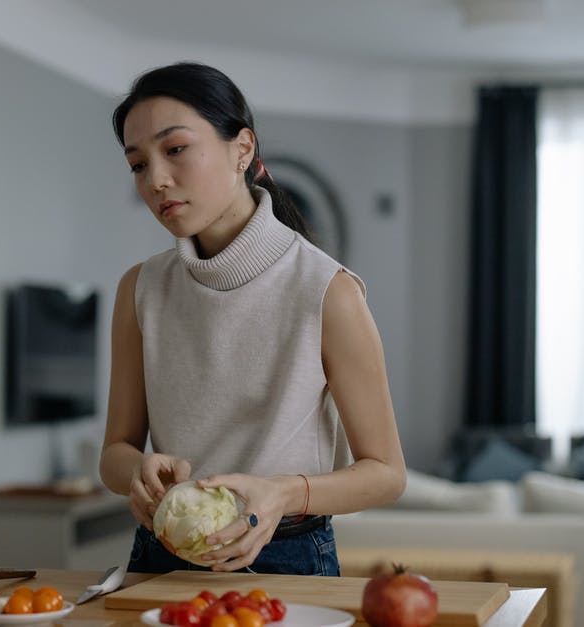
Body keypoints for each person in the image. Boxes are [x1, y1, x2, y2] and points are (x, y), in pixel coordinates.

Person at [99, 62, 406, 576]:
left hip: (285, 557)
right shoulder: (140, 288)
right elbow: (114, 453)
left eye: (175, 150)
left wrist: (284, 493)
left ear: (243, 148)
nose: (156, 180)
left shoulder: (328, 291)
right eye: (137, 164)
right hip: (161, 556)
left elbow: (387, 475)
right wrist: (139, 471)